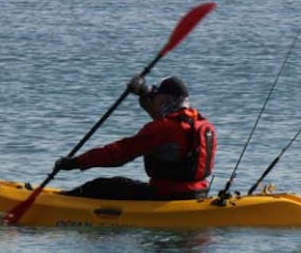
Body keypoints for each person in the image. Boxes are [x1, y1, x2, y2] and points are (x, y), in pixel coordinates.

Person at [54, 75, 217, 200]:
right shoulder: (200, 123)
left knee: (100, 186)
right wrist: (142, 92)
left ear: (166, 99)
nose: (153, 99)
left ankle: (61, 202)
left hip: (165, 195)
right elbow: (163, 122)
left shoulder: (161, 128)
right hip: (197, 193)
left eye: (156, 96)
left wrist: (76, 163)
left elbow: (118, 154)